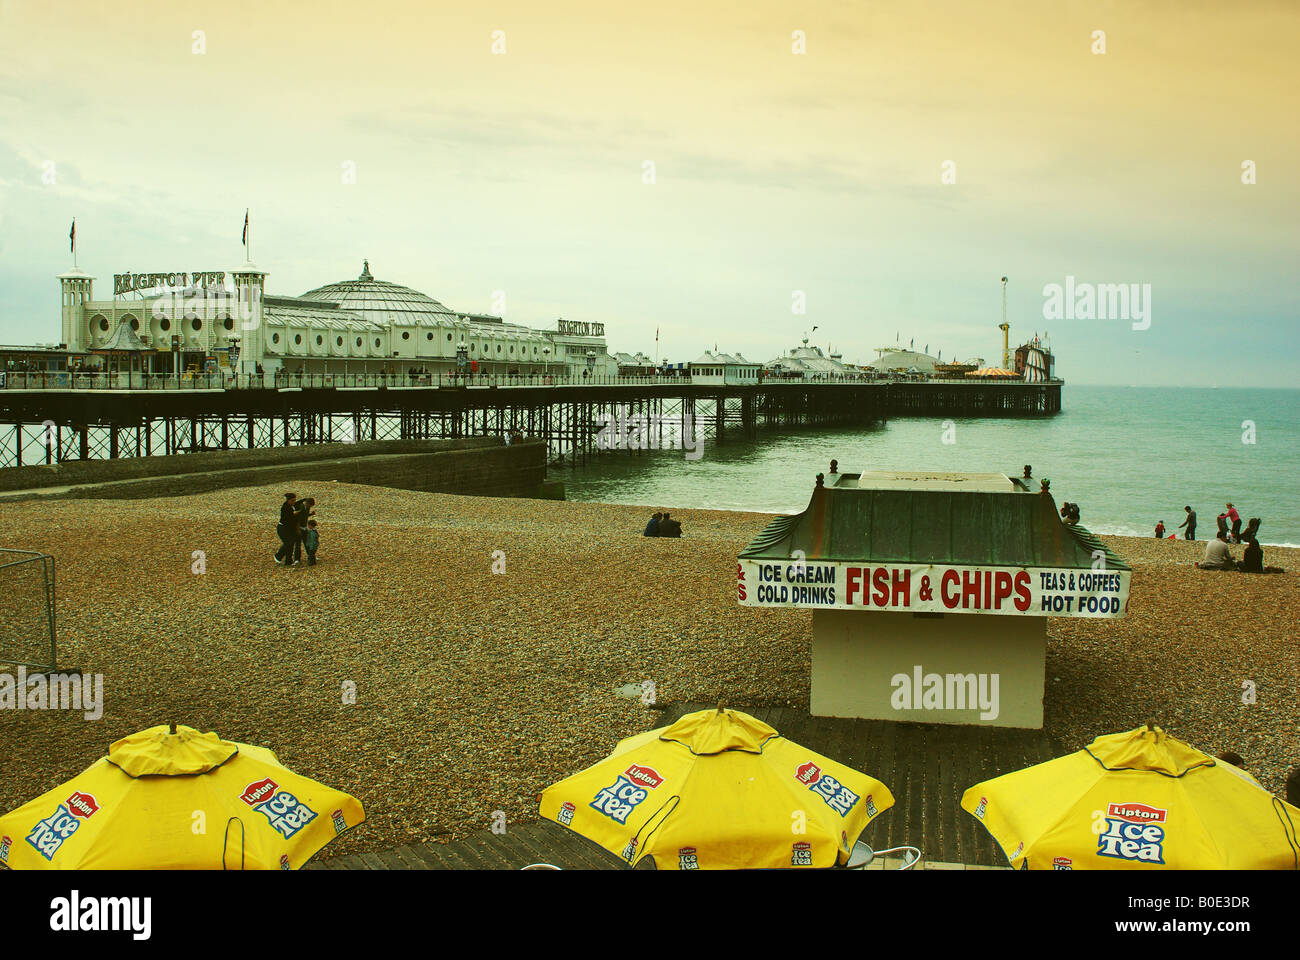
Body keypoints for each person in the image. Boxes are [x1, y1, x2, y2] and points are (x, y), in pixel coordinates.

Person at [274, 492, 299, 564]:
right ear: (288, 500)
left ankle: (288, 560)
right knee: (288, 543)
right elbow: (288, 518)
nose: (294, 502)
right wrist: (294, 514)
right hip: (283, 528)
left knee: (291, 544)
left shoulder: (292, 506)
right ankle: (278, 555)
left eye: (295, 500)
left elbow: (298, 504)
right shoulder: (285, 507)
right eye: (292, 500)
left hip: (289, 528)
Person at [291, 497, 316, 565]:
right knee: (298, 544)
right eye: (310, 505)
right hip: (299, 528)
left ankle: (310, 556)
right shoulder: (300, 507)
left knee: (307, 543)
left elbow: (305, 515)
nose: (310, 507)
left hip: (304, 527)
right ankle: (297, 559)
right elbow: (297, 519)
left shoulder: (307, 508)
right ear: (307, 503)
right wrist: (298, 529)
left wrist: (311, 514)